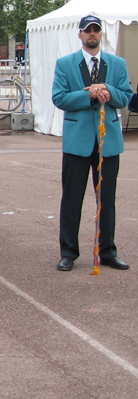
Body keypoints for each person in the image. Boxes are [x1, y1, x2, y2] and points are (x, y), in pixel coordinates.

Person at [52, 15, 132, 272]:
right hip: (77, 142)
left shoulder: (118, 64)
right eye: (88, 31)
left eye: (96, 30)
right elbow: (59, 98)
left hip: (107, 142)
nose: (92, 34)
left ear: (101, 35)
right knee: (72, 198)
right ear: (80, 35)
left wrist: (108, 91)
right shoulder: (65, 64)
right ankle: (68, 253)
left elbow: (126, 97)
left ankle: (107, 250)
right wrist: (89, 94)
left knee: (106, 199)